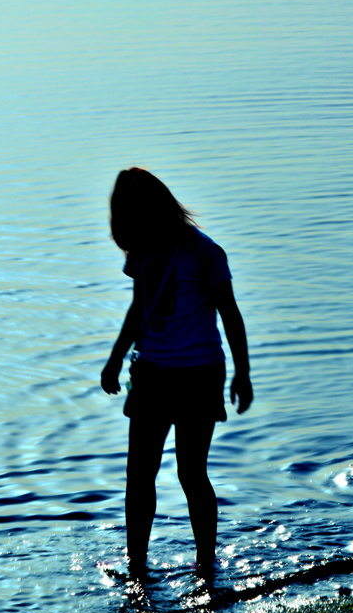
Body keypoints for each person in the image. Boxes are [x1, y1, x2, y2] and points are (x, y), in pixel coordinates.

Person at [101, 167, 252, 576]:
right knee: (139, 473)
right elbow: (140, 307)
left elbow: (230, 315)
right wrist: (116, 358)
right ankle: (137, 566)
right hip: (151, 371)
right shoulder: (142, 249)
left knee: (190, 471)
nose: (128, 226)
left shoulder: (204, 252)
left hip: (199, 375)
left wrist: (243, 374)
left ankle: (206, 564)